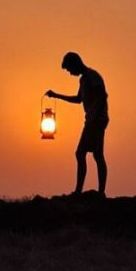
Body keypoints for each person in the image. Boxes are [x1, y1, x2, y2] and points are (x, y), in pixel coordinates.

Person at [46, 52, 109, 196]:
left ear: (75, 64)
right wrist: (57, 96)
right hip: (93, 120)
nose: (70, 73)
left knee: (83, 153)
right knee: (95, 155)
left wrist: (95, 115)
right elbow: (78, 99)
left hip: (97, 120)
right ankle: (94, 192)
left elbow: (103, 95)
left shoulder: (92, 76)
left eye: (69, 69)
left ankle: (89, 192)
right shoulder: (83, 80)